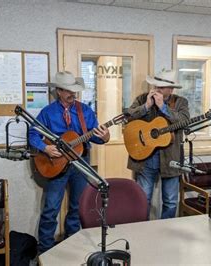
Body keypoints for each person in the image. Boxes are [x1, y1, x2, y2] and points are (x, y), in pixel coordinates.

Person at [28, 71, 110, 253]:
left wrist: (104, 137)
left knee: (77, 208)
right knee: (50, 209)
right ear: (58, 91)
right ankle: (45, 251)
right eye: (68, 90)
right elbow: (33, 134)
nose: (73, 94)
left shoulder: (85, 111)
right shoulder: (47, 112)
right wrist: (45, 148)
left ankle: (71, 247)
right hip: (55, 163)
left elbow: (95, 136)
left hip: (80, 163)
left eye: (74, 90)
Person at [125, 69, 189, 219]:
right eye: (155, 86)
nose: (156, 89)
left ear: (171, 89)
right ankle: (144, 231)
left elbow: (185, 122)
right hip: (145, 159)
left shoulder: (180, 102)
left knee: (170, 201)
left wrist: (163, 108)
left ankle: (166, 233)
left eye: (161, 87)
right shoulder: (142, 99)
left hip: (171, 159)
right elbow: (128, 117)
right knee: (143, 199)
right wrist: (146, 107)